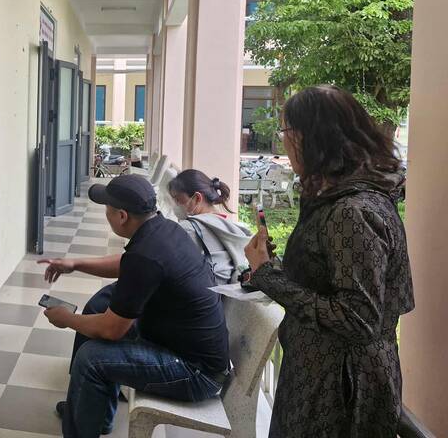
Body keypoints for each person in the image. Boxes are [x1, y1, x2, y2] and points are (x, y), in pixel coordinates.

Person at [244, 85, 414, 438]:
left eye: (286, 132)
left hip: (340, 389)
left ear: (309, 137)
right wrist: (275, 269)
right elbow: (328, 281)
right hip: (320, 373)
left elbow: (357, 318)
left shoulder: (351, 211)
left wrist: (267, 275)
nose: (284, 142)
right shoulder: (337, 197)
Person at [38, 174, 229, 438]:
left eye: (107, 208)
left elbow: (111, 329)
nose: (105, 213)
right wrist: (75, 264)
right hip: (182, 348)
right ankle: (94, 414)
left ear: (122, 216)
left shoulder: (147, 253)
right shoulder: (164, 229)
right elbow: (129, 263)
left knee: (91, 358)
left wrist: (66, 319)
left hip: (195, 373)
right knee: (98, 310)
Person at [167, 170, 251, 284]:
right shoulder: (227, 225)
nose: (175, 205)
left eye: (178, 199)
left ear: (197, 198)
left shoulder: (188, 229)